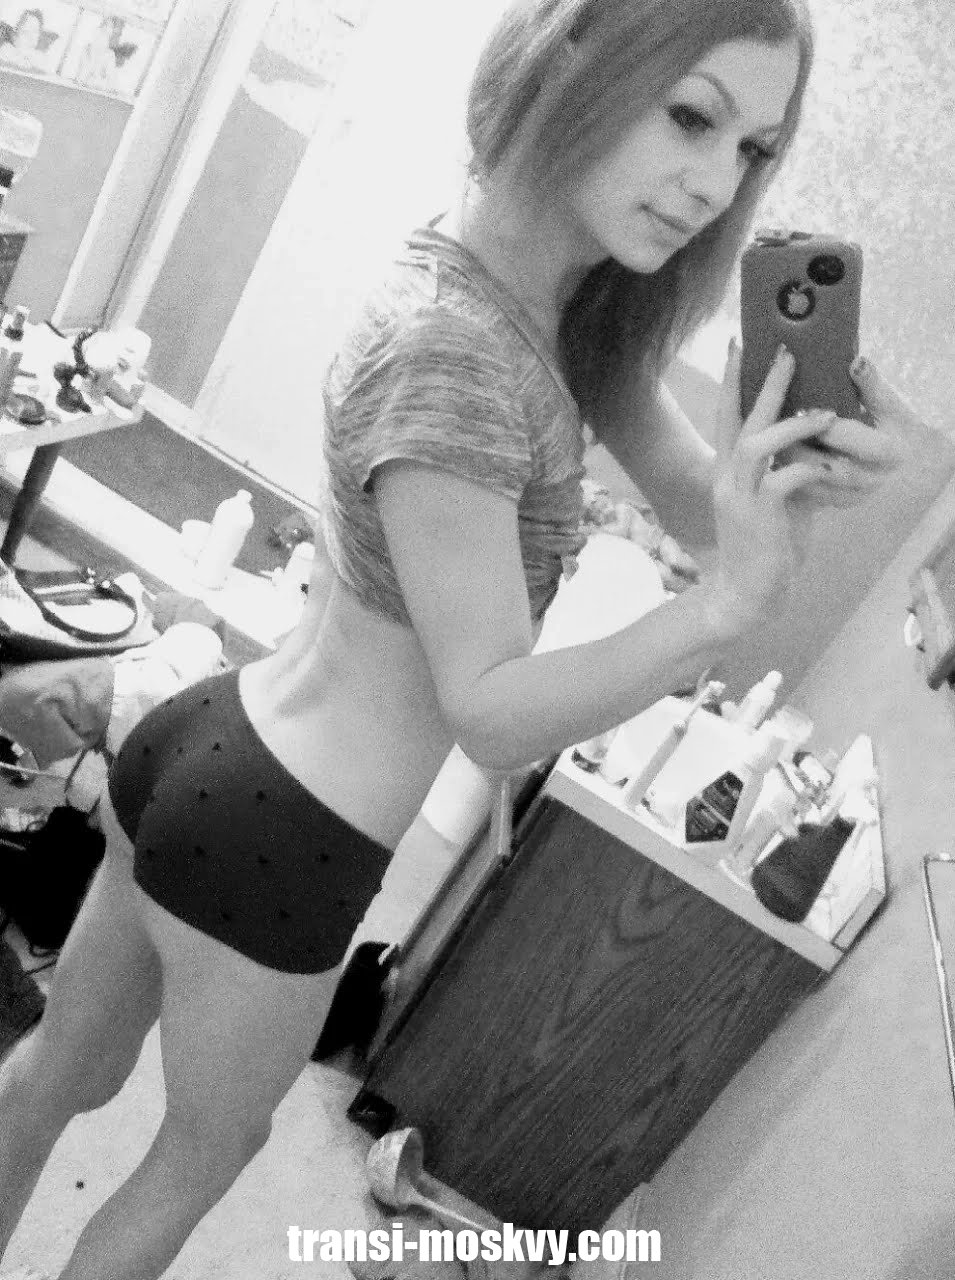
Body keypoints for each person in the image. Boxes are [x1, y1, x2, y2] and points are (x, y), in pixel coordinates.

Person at [0, 0, 908, 1275]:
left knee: (60, 1067)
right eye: (690, 116)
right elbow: (487, 705)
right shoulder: (463, 351)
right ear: (568, 64)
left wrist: (791, 479)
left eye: (752, 149)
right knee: (205, 1149)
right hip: (288, 830)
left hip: (216, 737)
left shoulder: (541, 303)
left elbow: (706, 512)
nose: (715, 183)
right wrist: (719, 611)